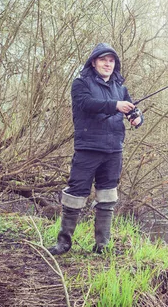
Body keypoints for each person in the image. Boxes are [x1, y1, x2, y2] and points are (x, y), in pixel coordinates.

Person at [49, 43, 143, 255]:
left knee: (108, 196)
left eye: (111, 61)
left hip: (114, 150)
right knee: (76, 194)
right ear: (94, 62)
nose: (108, 64)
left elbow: (131, 109)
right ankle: (63, 244)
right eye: (103, 60)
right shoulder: (80, 83)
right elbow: (87, 104)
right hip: (88, 148)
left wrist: (137, 118)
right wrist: (115, 106)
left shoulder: (120, 88)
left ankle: (102, 245)